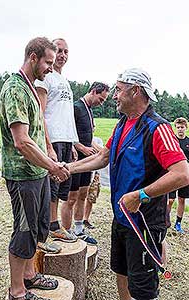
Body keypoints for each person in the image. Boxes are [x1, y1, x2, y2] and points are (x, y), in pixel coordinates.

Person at [65, 68, 189, 300]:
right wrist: (68, 168)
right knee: (121, 272)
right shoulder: (123, 124)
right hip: (121, 217)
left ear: (136, 91)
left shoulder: (157, 128)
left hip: (145, 222)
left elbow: (182, 174)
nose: (114, 95)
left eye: (119, 90)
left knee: (143, 287)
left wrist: (140, 195)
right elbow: (103, 156)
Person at [0, 37, 70, 300]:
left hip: (37, 173)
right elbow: (22, 141)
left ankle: (30, 275)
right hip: (23, 175)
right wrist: (52, 165)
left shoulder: (31, 87)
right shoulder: (15, 89)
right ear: (32, 57)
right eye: (47, 62)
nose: (50, 68)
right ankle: (17, 291)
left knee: (38, 229)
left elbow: (38, 133)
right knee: (24, 231)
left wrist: (49, 156)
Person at [35, 38, 79, 243]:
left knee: (62, 186)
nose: (62, 55)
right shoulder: (46, 78)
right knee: (51, 185)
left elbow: (66, 115)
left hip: (65, 140)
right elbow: (40, 113)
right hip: (52, 138)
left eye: (66, 52)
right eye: (59, 51)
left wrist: (72, 144)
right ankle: (51, 226)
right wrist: (48, 144)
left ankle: (55, 224)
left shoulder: (65, 82)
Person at [61, 82, 109, 244]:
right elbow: (67, 132)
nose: (101, 103)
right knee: (71, 198)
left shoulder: (89, 110)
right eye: (101, 99)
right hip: (75, 159)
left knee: (83, 194)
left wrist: (99, 150)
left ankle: (79, 230)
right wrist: (80, 147)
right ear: (94, 91)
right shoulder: (76, 107)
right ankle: (66, 232)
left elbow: (88, 137)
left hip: (87, 161)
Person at [167, 117, 189, 233]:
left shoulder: (188, 142)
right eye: (178, 127)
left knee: (181, 199)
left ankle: (178, 223)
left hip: (185, 176)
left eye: (182, 127)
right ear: (175, 128)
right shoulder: (172, 141)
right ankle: (165, 220)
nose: (180, 129)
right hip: (172, 175)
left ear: (186, 128)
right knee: (170, 200)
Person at [83, 136, 103, 229]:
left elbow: (103, 152)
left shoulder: (97, 140)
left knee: (92, 196)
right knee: (80, 196)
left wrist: (91, 142)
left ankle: (85, 219)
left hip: (94, 174)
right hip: (85, 171)